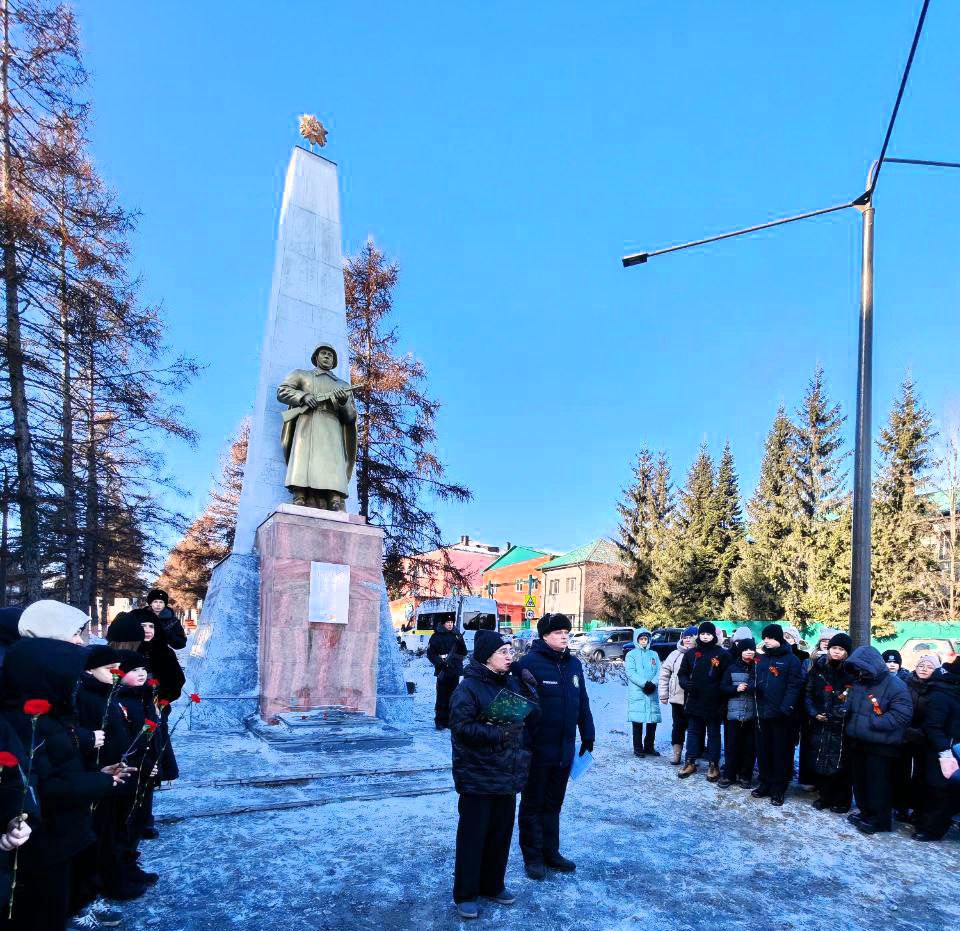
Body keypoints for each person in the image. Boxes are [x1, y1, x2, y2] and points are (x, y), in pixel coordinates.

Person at [1, 636, 131, 931]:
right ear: (45, 678)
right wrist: (100, 782)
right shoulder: (24, 724)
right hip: (44, 840)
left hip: (65, 833)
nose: (74, 685)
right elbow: (42, 787)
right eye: (69, 679)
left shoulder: (51, 714)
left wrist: (100, 774)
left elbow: (63, 766)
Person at [448, 630, 537, 920]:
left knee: (500, 833)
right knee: (474, 836)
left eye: (511, 651)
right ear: (487, 656)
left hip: (506, 772)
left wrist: (530, 690)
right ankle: (466, 894)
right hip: (477, 774)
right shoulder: (468, 688)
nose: (510, 656)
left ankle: (492, 884)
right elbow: (462, 728)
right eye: (504, 652)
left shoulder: (510, 682)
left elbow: (532, 714)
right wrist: (498, 732)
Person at [514, 613, 594, 882]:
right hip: (537, 749)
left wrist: (588, 733)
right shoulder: (528, 664)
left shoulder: (573, 664)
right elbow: (519, 710)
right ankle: (533, 857)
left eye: (566, 631)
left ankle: (551, 852)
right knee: (533, 804)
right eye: (558, 631)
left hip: (563, 748)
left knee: (554, 804)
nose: (564, 635)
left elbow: (581, 700)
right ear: (544, 635)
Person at [844, 645, 913, 835]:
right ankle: (866, 812)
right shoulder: (859, 682)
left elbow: (902, 714)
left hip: (881, 744)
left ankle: (881, 820)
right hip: (859, 740)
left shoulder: (895, 685)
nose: (859, 671)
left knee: (878, 784)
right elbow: (852, 705)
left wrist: (877, 722)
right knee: (860, 781)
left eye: (862, 667)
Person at [753, 624, 803, 807]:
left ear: (779, 639)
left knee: (780, 753)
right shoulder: (762, 659)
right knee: (763, 750)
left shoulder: (791, 660)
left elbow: (794, 686)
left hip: (781, 715)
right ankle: (765, 783)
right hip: (762, 713)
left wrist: (786, 707)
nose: (766, 640)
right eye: (765, 637)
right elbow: (757, 679)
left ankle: (778, 789)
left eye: (770, 637)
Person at [804, 632, 854, 812]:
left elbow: (852, 698)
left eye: (841, 649)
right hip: (820, 721)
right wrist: (814, 713)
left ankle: (841, 800)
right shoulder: (818, 667)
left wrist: (838, 714)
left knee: (840, 761)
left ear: (847, 652)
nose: (836, 652)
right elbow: (808, 694)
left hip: (841, 724)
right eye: (834, 648)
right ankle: (824, 796)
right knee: (821, 758)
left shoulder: (851, 672)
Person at [677, 621, 730, 782]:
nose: (705, 637)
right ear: (698, 635)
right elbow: (682, 673)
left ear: (714, 635)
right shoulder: (691, 653)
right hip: (694, 700)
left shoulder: (722, 654)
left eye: (708, 634)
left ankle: (713, 764)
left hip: (714, 702)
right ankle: (690, 761)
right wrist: (685, 683)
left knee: (713, 734)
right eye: (702, 634)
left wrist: (721, 694)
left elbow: (727, 677)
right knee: (693, 733)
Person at [914, 657, 960, 842]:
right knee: (938, 790)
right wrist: (945, 751)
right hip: (943, 751)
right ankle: (930, 828)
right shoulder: (942, 693)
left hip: (954, 748)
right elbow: (933, 726)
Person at [899, 654, 942, 826]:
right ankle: (901, 806)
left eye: (929, 667)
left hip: (926, 739)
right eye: (921, 665)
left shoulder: (938, 688)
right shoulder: (905, 684)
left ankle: (918, 809)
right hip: (904, 736)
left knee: (921, 776)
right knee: (901, 773)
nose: (924, 669)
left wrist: (920, 732)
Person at [719, 637, 757, 788]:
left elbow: (762, 688)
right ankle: (729, 775)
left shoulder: (758, 667)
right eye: (745, 649)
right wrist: (735, 689)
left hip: (752, 714)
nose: (748, 652)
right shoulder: (731, 667)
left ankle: (745, 775)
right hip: (733, 714)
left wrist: (750, 687)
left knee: (749, 747)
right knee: (732, 745)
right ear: (740, 651)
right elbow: (722, 688)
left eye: (751, 649)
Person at [659, 626, 697, 766]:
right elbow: (664, 675)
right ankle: (677, 754)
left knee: (694, 727)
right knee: (678, 726)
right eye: (685, 637)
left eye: (690, 637)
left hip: (695, 698)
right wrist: (664, 694)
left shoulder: (699, 653)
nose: (687, 640)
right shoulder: (674, 654)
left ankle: (692, 755)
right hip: (677, 697)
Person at [426, 617, 467, 730]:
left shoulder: (456, 635)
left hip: (455, 669)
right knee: (442, 696)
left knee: (453, 696)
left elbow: (463, 652)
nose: (450, 624)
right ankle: (440, 721)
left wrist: (460, 643)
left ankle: (450, 720)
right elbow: (430, 653)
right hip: (443, 669)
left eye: (451, 622)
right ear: (443, 623)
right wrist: (440, 663)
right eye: (448, 622)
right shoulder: (436, 636)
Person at [625, 629, 661, 758]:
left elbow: (659, 671)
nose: (644, 641)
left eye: (646, 639)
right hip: (638, 691)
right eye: (641, 639)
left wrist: (653, 683)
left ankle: (649, 746)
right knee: (638, 721)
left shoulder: (654, 654)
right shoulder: (631, 655)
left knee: (652, 720)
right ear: (637, 639)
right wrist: (644, 683)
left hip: (652, 690)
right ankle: (638, 747)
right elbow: (630, 672)